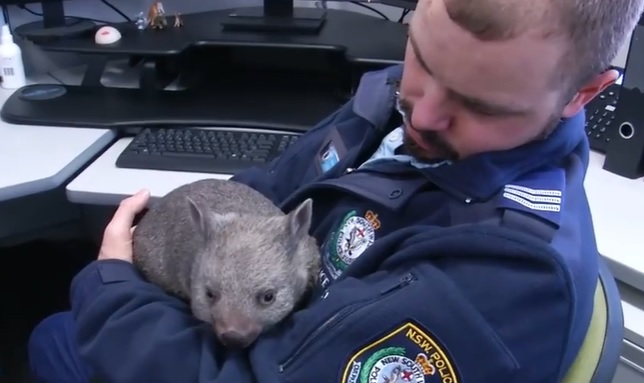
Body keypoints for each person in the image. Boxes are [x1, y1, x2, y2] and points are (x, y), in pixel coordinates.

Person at [27, 0, 644, 382]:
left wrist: (112, 284)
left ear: (582, 95)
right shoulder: (385, 103)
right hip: (260, 329)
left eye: (476, 105)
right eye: (424, 60)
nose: (421, 115)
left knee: (56, 337)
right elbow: (263, 197)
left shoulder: (500, 277)